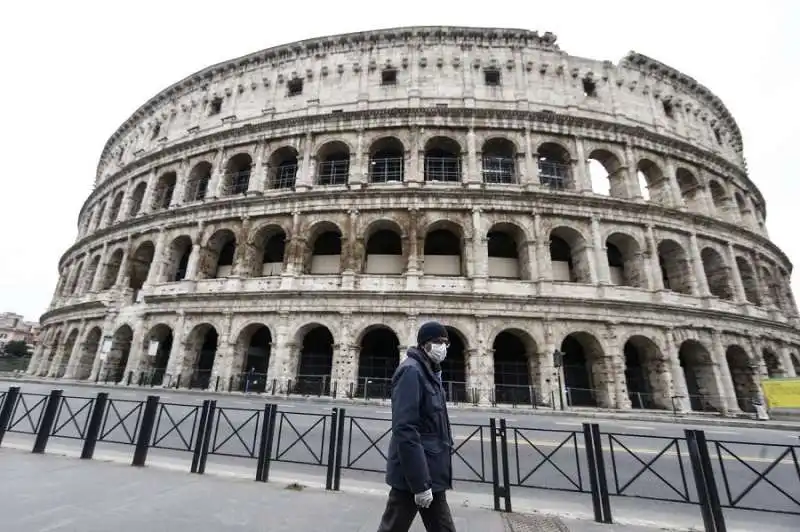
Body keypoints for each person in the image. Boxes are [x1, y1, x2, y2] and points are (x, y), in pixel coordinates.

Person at [376, 321, 456, 532]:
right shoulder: (412, 371)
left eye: (446, 342)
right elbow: (405, 429)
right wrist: (420, 484)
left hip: (430, 469)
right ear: (424, 344)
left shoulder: (431, 371)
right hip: (414, 474)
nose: (443, 347)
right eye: (438, 342)